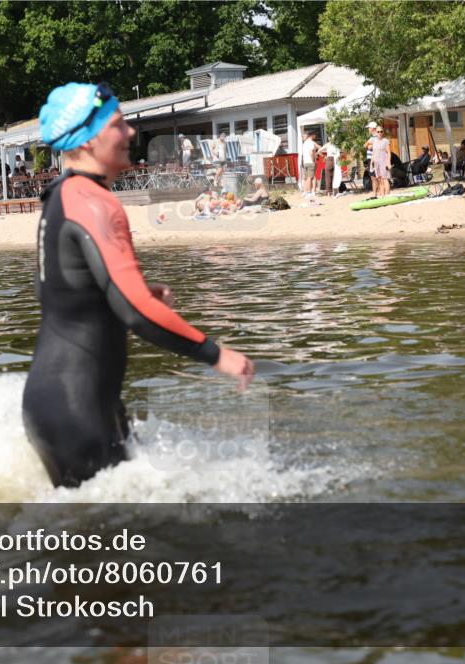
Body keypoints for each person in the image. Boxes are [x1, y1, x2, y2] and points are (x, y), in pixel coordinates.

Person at [26, 81, 254, 487]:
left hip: (61, 399)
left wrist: (133, 293)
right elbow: (135, 312)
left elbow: (63, 294)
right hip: (76, 405)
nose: (130, 133)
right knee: (106, 542)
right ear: (88, 139)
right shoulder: (97, 204)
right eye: (118, 124)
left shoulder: (62, 196)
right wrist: (216, 354)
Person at [370, 125, 391, 198]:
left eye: (381, 131)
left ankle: (387, 195)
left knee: (385, 178)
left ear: (383, 132)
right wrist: (372, 162)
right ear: (376, 132)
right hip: (376, 162)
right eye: (378, 131)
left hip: (383, 161)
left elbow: (388, 152)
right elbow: (374, 152)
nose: (380, 133)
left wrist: (388, 162)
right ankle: (382, 196)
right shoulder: (374, 141)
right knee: (379, 179)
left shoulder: (386, 141)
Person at [300, 131, 320, 198]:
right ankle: (309, 192)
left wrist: (315, 156)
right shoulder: (310, 142)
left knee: (308, 177)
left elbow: (311, 152)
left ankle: (308, 192)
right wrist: (313, 159)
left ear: (307, 136)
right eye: (303, 137)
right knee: (310, 177)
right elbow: (311, 152)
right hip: (309, 162)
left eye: (304, 136)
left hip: (306, 162)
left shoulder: (305, 143)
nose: (303, 138)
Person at [363, 121, 378, 197]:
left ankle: (375, 193)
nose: (368, 129)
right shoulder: (372, 137)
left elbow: (368, 146)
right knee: (373, 177)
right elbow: (365, 145)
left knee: (374, 177)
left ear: (372, 128)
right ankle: (375, 192)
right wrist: (369, 145)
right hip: (371, 158)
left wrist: (370, 145)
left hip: (373, 159)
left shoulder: (376, 137)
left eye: (369, 128)